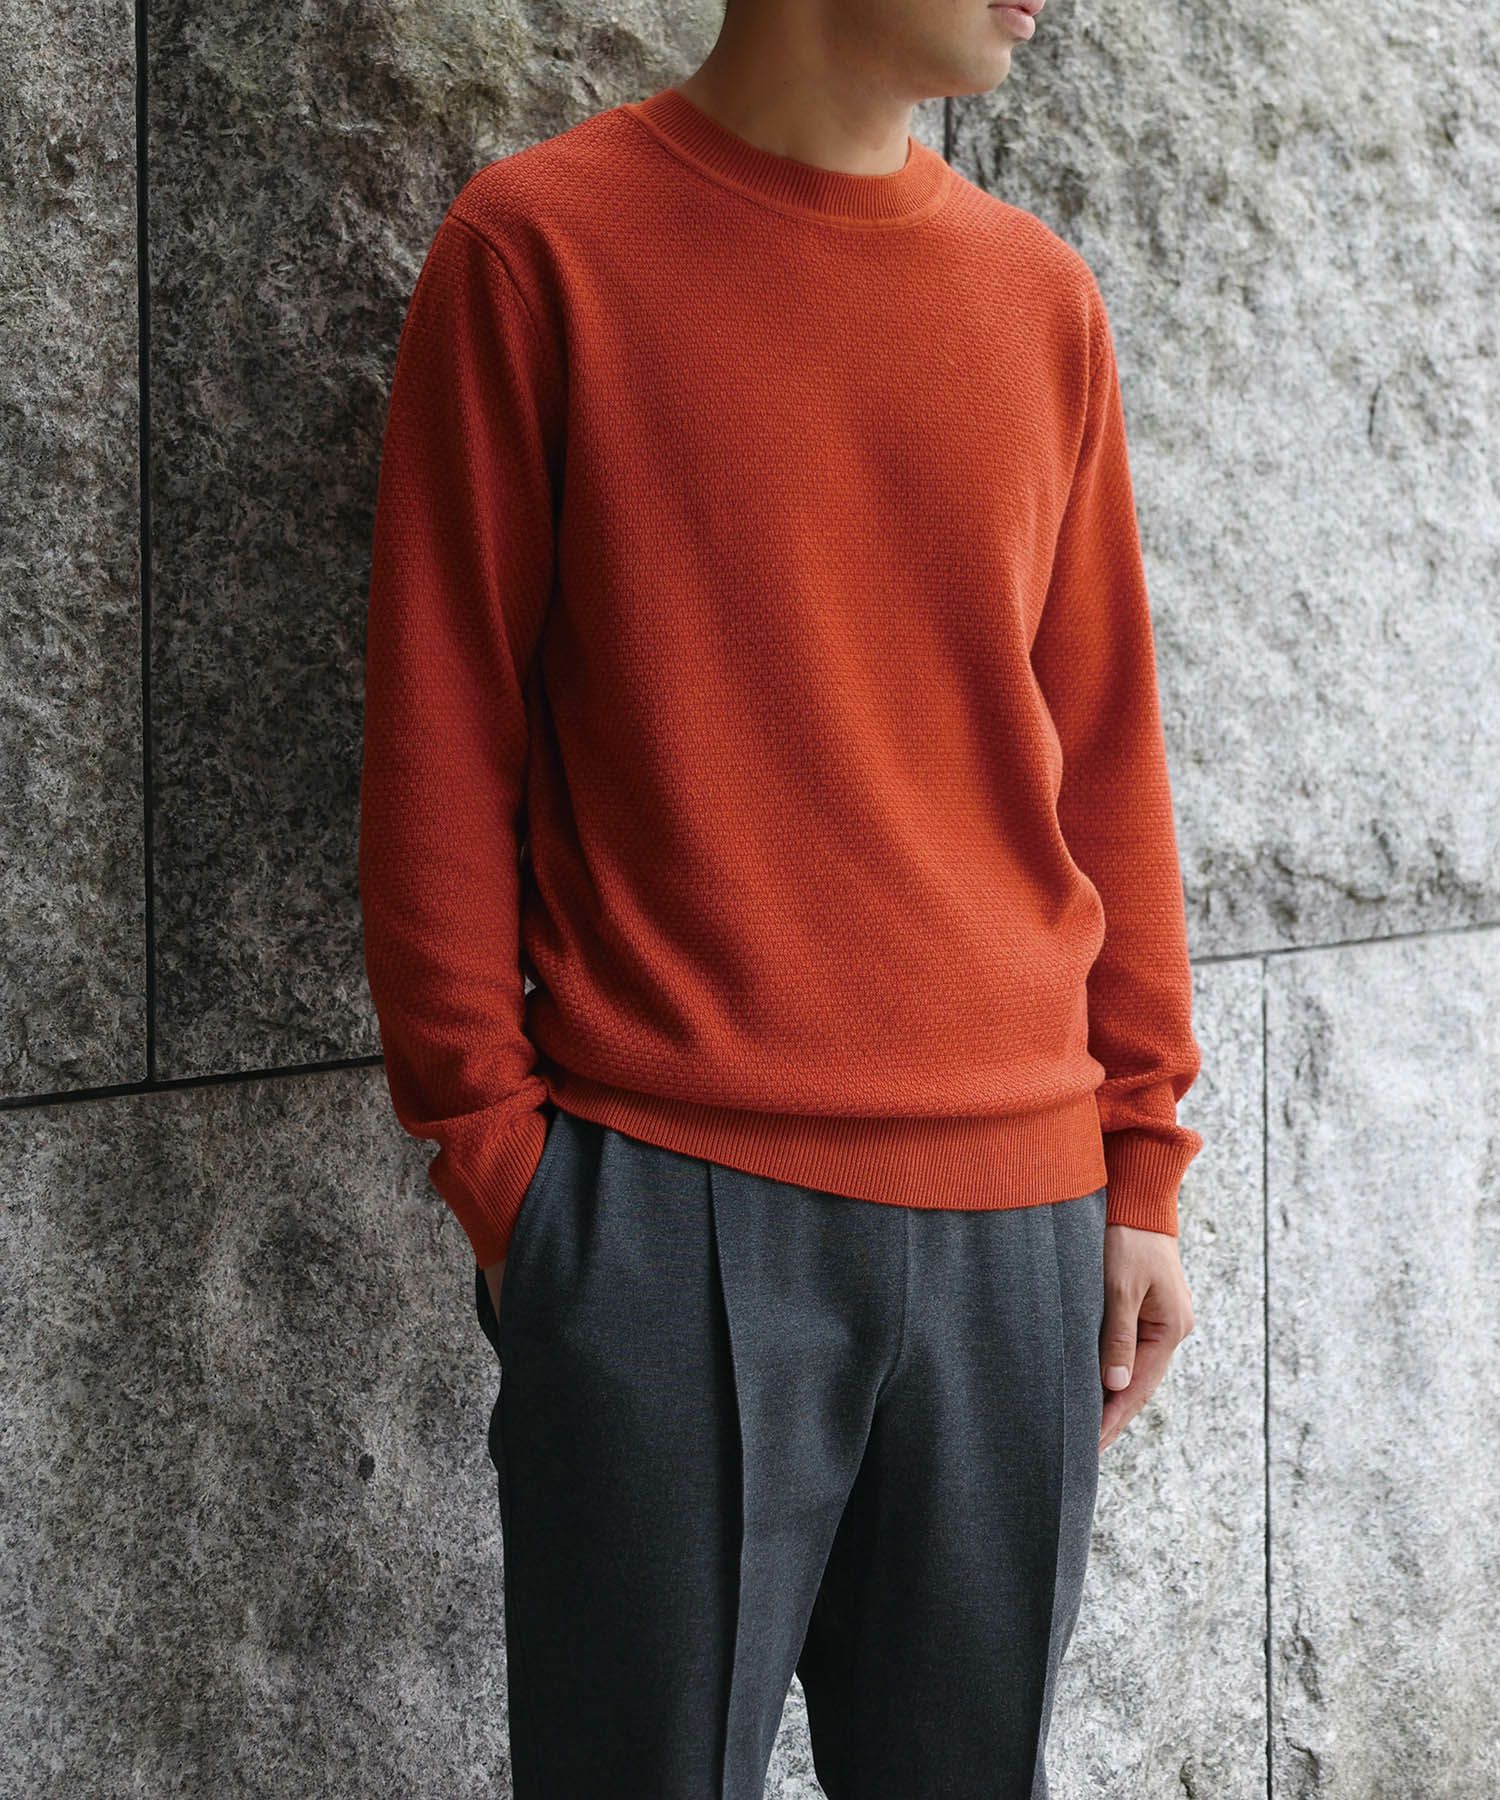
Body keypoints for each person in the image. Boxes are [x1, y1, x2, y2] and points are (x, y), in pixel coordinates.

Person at [358, 1, 1203, 1793]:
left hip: (1021, 1224)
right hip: (663, 1215)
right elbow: (441, 733)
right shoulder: (539, 251)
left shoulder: (1039, 300)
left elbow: (1105, 752)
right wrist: (511, 1179)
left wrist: (1142, 1163)